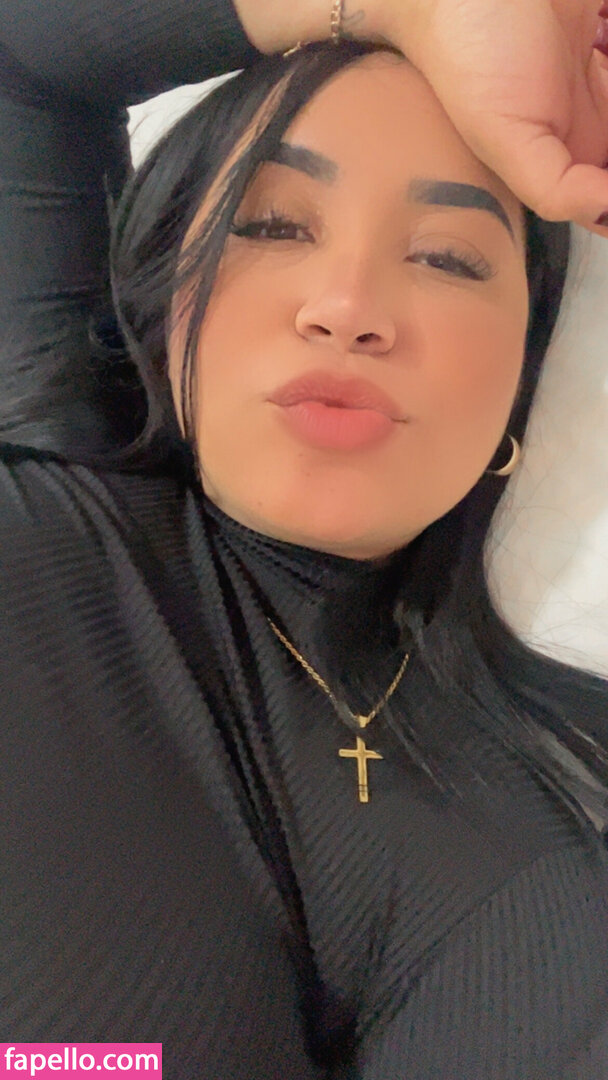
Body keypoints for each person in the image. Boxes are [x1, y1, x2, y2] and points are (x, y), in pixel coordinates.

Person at [0, 3, 607, 1079]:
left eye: (446, 256)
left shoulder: (579, 791)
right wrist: (407, 3)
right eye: (275, 227)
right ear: (161, 310)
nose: (347, 307)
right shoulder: (51, 490)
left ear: (522, 380)